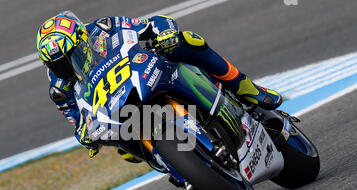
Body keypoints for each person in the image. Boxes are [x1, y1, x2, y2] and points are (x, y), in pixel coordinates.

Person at [36, 11, 282, 160]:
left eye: (69, 56)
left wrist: (164, 31)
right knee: (122, 150)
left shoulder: (104, 28)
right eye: (57, 64)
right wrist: (83, 132)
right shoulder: (59, 85)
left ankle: (248, 90)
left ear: (81, 40)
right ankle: (176, 164)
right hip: (119, 107)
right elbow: (73, 114)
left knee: (188, 41)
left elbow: (149, 24)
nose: (65, 66)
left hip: (144, 72)